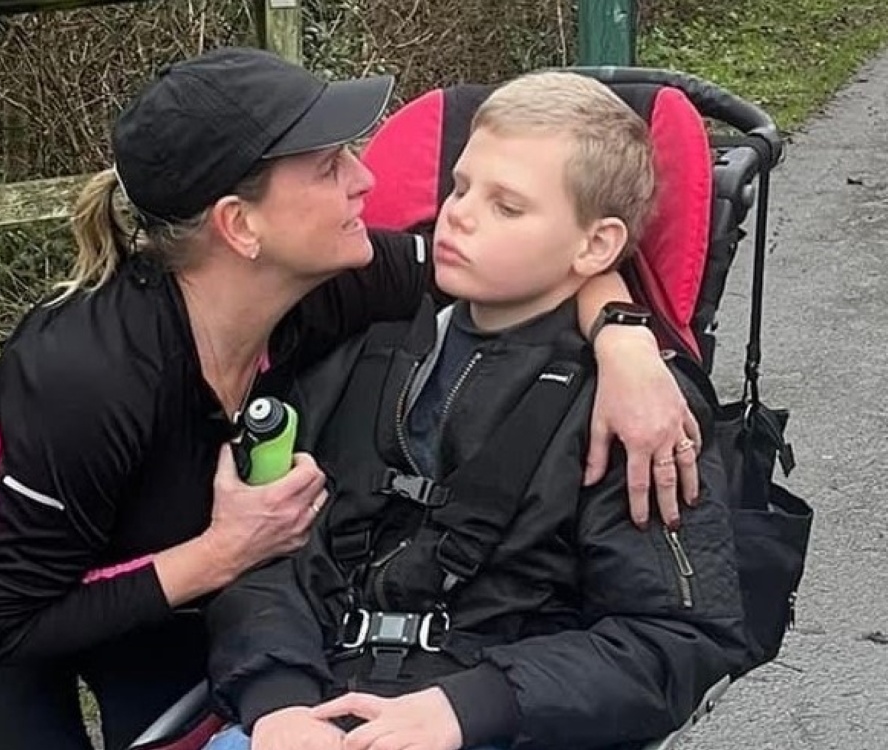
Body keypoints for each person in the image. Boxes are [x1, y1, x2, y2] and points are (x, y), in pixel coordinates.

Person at [0, 49, 697, 750]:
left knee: (196, 720)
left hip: (156, 559)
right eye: (328, 165)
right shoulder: (84, 376)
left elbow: (537, 268)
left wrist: (626, 338)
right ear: (241, 226)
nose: (367, 180)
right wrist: (222, 553)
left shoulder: (330, 278)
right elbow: (13, 620)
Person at [204, 71, 746, 750]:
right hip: (309, 705)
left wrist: (475, 706)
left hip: (503, 715)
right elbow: (271, 553)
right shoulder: (361, 340)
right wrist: (275, 697)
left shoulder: (640, 409)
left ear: (596, 246)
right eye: (459, 187)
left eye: (506, 207)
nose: (458, 213)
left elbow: (678, 633)